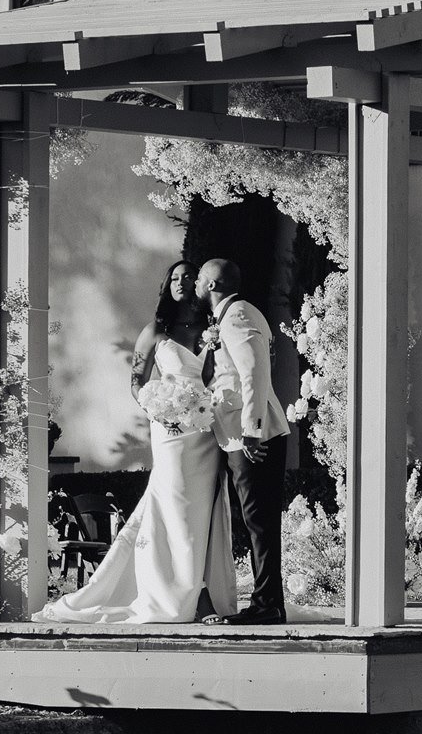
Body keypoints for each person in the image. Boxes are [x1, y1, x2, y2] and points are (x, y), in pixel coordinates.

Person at [39, 260, 237, 626]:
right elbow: (137, 382)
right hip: (170, 431)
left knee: (202, 513)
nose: (182, 283)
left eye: (189, 278)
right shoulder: (155, 332)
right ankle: (198, 596)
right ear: (166, 286)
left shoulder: (213, 329)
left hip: (205, 431)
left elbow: (221, 376)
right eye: (174, 278)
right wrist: (157, 408)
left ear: (199, 286)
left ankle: (199, 588)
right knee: (176, 507)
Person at [196, 256, 291, 625]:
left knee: (260, 522)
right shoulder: (229, 316)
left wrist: (251, 431)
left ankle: (268, 606)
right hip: (238, 437)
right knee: (255, 521)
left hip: (254, 437)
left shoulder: (237, 315)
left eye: (201, 279)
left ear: (212, 284)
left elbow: (254, 374)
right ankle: (268, 602)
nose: (197, 286)